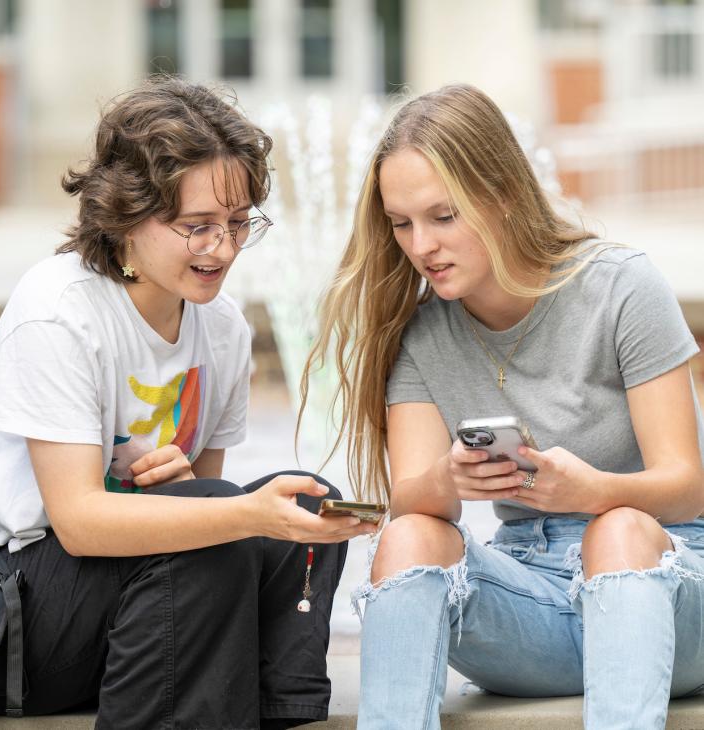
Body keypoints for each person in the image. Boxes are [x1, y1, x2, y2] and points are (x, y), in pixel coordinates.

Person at [0, 76, 377, 729]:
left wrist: (202, 494)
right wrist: (225, 510)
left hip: (120, 617)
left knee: (304, 501)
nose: (222, 248)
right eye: (197, 227)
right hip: (12, 625)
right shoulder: (58, 312)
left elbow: (203, 507)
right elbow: (77, 521)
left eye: (238, 223)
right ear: (127, 213)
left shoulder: (221, 331)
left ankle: (281, 714)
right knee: (227, 517)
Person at [301, 83, 704, 729]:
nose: (420, 245)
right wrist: (446, 478)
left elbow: (687, 489)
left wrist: (592, 491)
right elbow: (412, 501)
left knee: (620, 528)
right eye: (401, 223)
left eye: (443, 215)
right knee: (410, 536)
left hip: (664, 586)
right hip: (532, 606)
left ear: (504, 195)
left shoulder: (622, 286)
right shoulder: (421, 334)